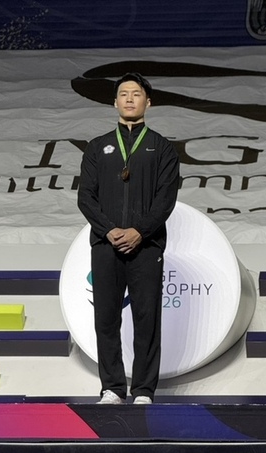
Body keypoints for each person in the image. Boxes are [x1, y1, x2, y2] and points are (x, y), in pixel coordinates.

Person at [77, 73, 180, 404]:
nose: (130, 99)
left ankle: (144, 390)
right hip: (105, 245)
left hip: (146, 247)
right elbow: (85, 197)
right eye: (124, 94)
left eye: (137, 94)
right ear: (115, 102)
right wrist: (109, 230)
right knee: (106, 318)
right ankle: (112, 388)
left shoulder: (162, 147)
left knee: (147, 319)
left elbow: (166, 198)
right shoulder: (97, 147)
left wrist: (140, 231)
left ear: (149, 102)